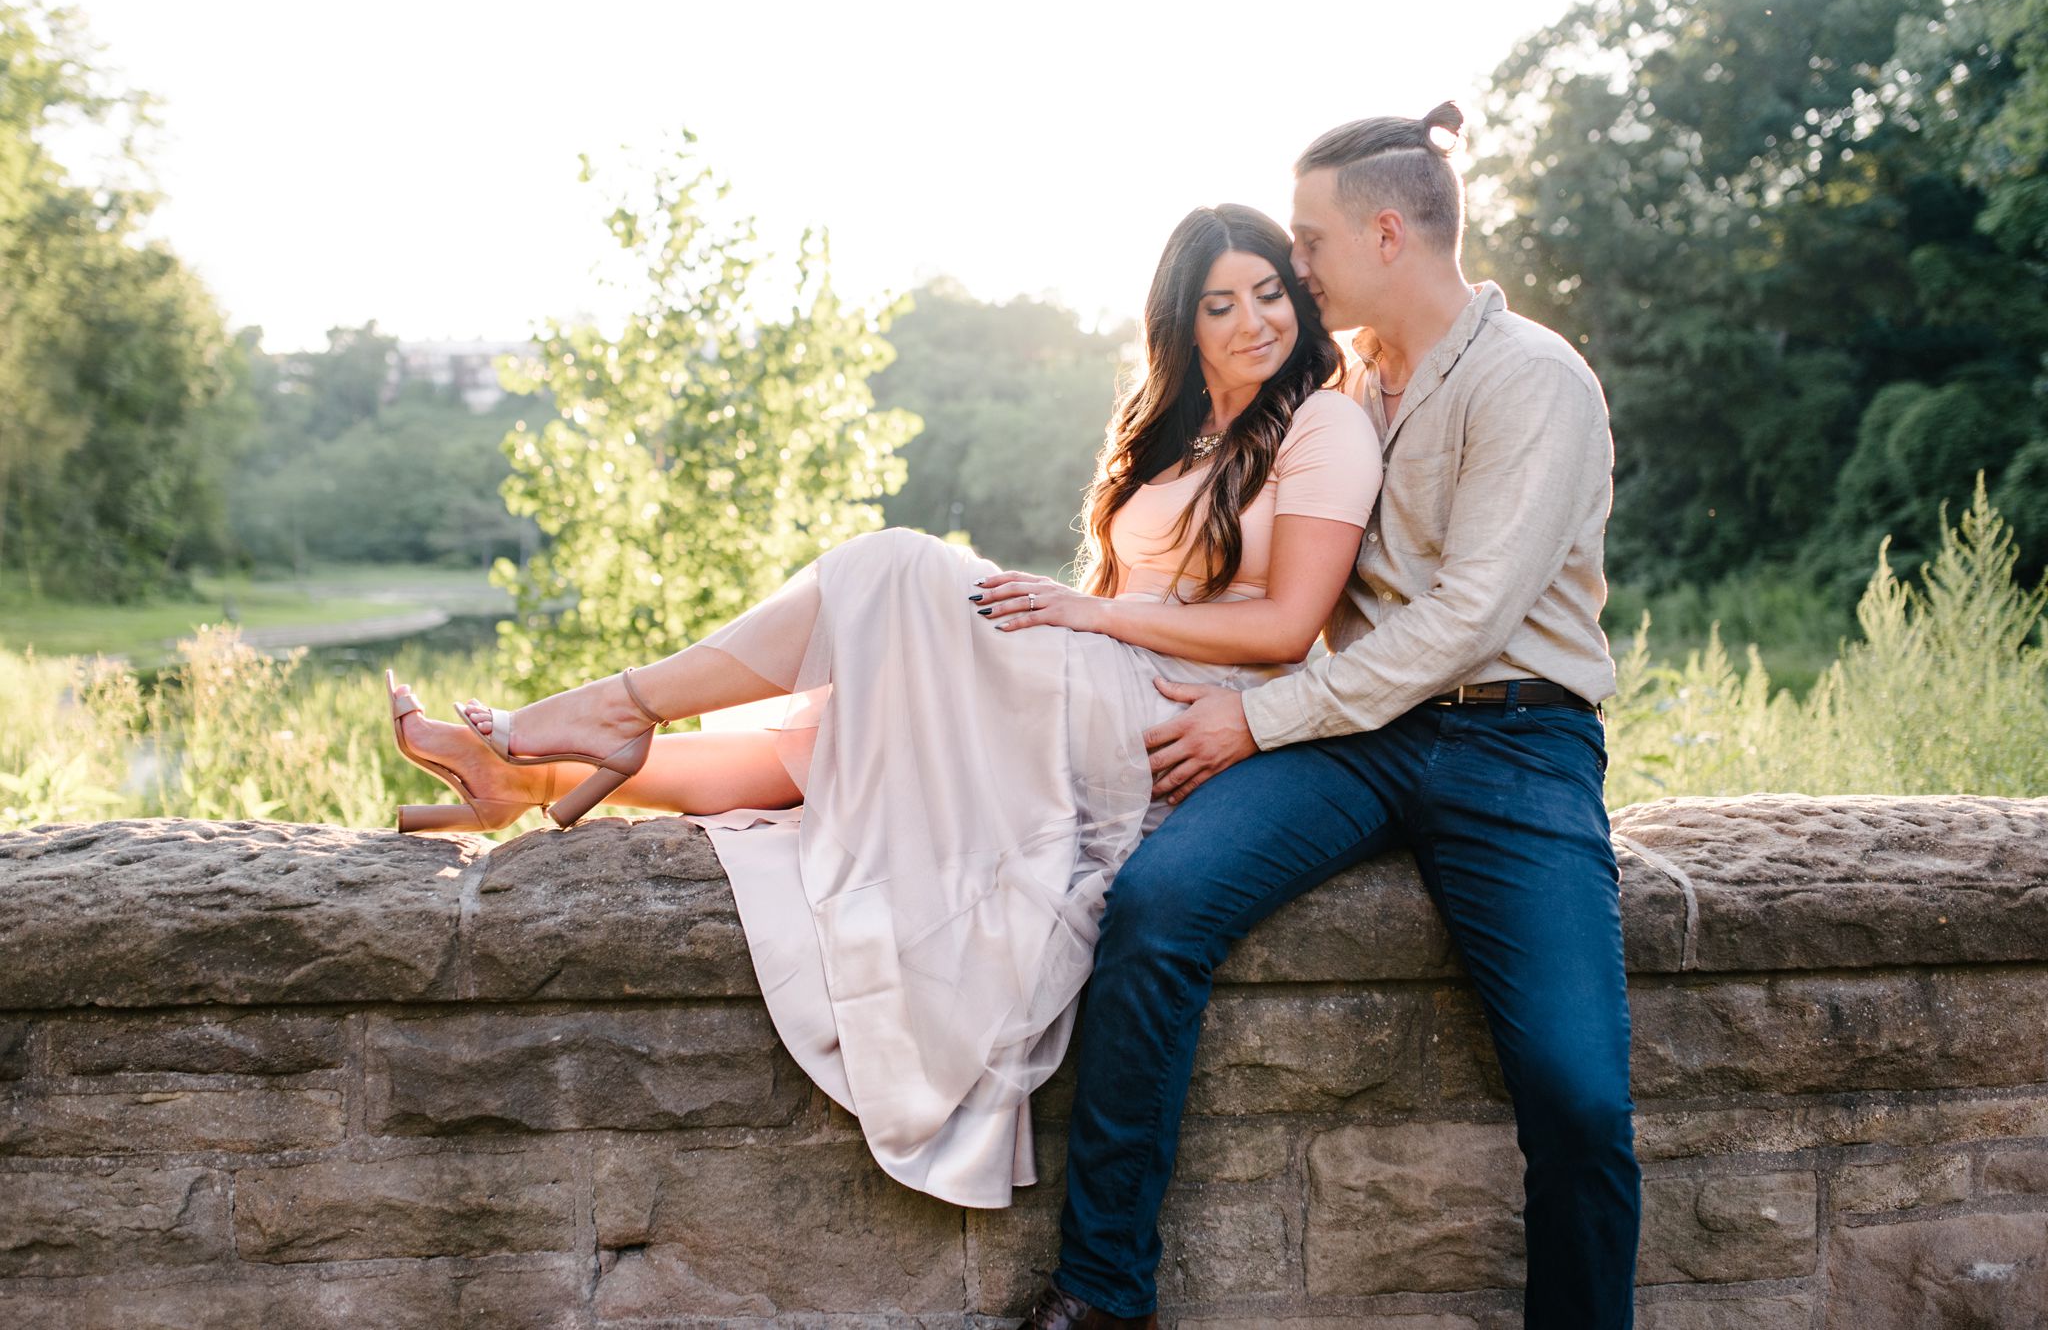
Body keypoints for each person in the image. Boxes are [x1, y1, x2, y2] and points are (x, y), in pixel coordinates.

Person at [384, 203, 1383, 1211]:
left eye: (1268, 293)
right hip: (1109, 667)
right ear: (1182, 320)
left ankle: (614, 711)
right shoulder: (1174, 429)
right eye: (1221, 303)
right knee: (862, 708)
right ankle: (534, 772)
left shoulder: (1320, 419)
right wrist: (1073, 621)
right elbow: (1133, 596)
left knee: (896, 567)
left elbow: (1284, 625)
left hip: (1188, 710)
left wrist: (1080, 615)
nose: (1255, 320)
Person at [1026, 104, 1640, 1330]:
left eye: (1306, 243)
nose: (1292, 271)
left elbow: (1466, 617)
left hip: (1516, 742)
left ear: (1384, 230)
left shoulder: (1534, 379)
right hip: (1364, 737)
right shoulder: (1347, 386)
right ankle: (1102, 1290)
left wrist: (1256, 722)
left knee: (1577, 1096)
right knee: (1153, 907)